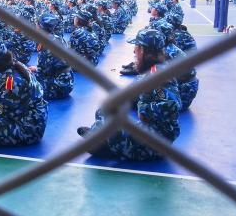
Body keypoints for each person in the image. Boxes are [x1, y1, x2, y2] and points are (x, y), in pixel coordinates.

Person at [77, 28, 182, 161]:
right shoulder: (153, 71)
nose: (134, 51)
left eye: (136, 47)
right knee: (104, 111)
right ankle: (104, 140)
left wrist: (144, 110)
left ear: (143, 50)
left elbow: (172, 107)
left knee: (107, 123)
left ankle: (102, 142)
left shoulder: (158, 76)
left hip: (156, 140)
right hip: (151, 132)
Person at [29, 14, 74, 100]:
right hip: (68, 82)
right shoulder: (58, 38)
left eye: (37, 24)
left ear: (40, 27)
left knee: (24, 83)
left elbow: (43, 72)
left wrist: (29, 72)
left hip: (58, 88)